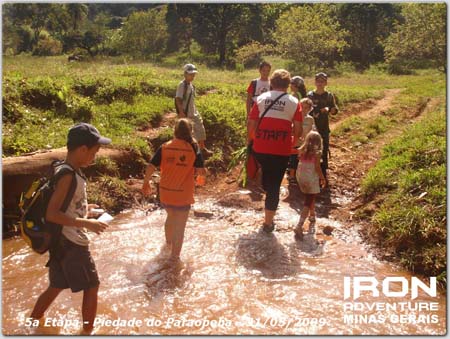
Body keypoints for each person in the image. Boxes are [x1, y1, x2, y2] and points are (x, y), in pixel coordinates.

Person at [30, 123, 110, 334]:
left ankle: (31, 323)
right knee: (92, 285)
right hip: (72, 243)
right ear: (83, 149)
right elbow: (52, 213)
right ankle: (87, 332)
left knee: (57, 285)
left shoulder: (64, 168)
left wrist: (85, 210)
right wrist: (86, 223)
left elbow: (65, 206)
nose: (95, 157)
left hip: (59, 242)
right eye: (94, 152)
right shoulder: (68, 176)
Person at [142, 118, 206, 264]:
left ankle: (168, 245)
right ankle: (174, 259)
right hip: (183, 194)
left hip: (165, 193)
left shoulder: (165, 147)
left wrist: (146, 183)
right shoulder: (194, 148)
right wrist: (200, 176)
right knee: (180, 226)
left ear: (175, 131)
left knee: (170, 217)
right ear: (190, 131)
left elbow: (151, 166)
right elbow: (201, 171)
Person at [247, 69, 303, 233]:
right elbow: (298, 129)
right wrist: (293, 143)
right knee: (274, 187)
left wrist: (251, 140)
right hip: (281, 149)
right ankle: (268, 223)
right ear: (287, 85)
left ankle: (263, 184)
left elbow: (251, 124)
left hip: (261, 147)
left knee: (266, 178)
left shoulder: (261, 98)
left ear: (271, 83)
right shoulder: (294, 101)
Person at [307, 72, 338, 185]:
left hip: (324, 127)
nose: (320, 83)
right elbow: (305, 108)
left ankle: (323, 175)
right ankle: (310, 173)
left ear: (325, 83)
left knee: (323, 150)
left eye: (322, 81)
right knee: (310, 149)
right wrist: (314, 112)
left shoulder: (329, 95)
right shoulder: (310, 95)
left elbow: (334, 110)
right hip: (311, 127)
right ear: (315, 82)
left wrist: (329, 109)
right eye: (318, 81)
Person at [175, 63, 213, 158]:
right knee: (188, 134)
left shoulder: (191, 86)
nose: (192, 76)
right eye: (190, 74)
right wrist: (181, 112)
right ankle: (190, 152)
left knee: (200, 129)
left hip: (194, 112)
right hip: (186, 114)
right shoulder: (182, 85)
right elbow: (178, 99)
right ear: (185, 74)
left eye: (193, 74)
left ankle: (202, 149)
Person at [294, 131, 326, 240]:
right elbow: (317, 167)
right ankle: (299, 225)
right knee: (308, 201)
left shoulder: (302, 150)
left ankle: (312, 216)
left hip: (301, 177)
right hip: (310, 177)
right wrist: (322, 177)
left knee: (310, 196)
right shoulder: (317, 153)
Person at [287, 98, 316, 182]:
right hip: (295, 142)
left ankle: (301, 176)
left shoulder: (310, 119)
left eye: (307, 108)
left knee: (303, 161)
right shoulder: (293, 117)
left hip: (305, 143)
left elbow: (312, 129)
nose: (304, 109)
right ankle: (292, 176)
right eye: (302, 107)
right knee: (293, 160)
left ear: (310, 109)